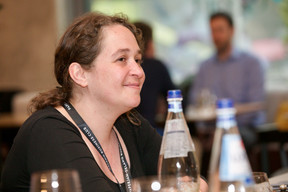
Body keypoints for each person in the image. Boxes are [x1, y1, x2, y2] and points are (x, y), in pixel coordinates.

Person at [0, 12, 208, 192]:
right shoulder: (47, 131)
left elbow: (196, 183)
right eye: (122, 59)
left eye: (137, 60)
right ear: (80, 74)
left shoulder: (130, 124)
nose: (139, 71)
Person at [188, 11, 266, 151]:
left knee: (224, 140)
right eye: (213, 31)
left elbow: (255, 105)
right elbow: (195, 101)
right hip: (210, 129)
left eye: (220, 30)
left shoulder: (251, 63)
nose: (216, 36)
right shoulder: (205, 67)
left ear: (232, 31)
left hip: (242, 128)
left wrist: (225, 126)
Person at [133, 21, 176, 134]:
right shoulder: (156, 66)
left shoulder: (125, 69)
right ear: (150, 43)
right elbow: (175, 97)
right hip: (149, 130)